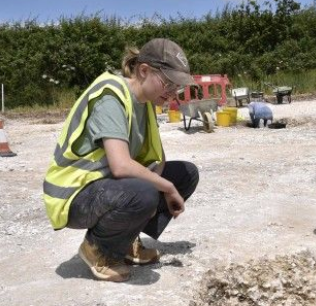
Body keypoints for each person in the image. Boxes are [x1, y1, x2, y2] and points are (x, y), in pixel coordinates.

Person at [43, 38, 200, 282]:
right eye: (168, 83)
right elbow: (121, 165)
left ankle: (126, 242)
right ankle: (98, 251)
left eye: (177, 87)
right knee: (147, 192)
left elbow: (155, 158)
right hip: (73, 194)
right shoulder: (112, 95)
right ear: (143, 71)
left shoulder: (145, 103)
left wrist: (161, 187)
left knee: (185, 174)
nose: (172, 93)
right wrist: (164, 189)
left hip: (107, 187)